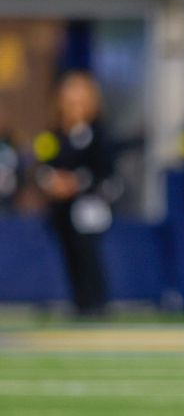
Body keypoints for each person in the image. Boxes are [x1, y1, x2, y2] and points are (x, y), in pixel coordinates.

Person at [34, 71, 116, 317]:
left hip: (88, 207)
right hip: (61, 210)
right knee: (69, 253)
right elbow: (42, 164)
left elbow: (105, 172)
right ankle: (80, 301)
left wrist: (76, 183)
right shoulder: (53, 134)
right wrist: (51, 181)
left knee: (88, 254)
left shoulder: (98, 133)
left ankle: (96, 303)